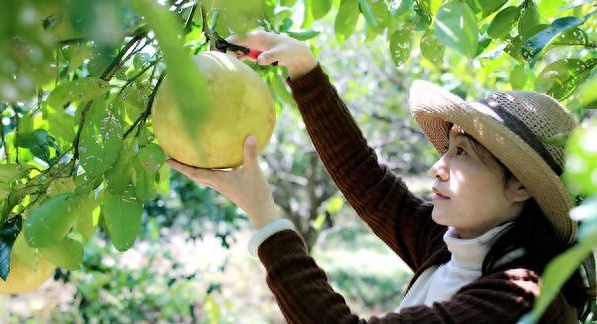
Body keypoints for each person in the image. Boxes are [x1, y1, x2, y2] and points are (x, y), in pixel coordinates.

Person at [166, 31, 595, 323]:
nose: (437, 166)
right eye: (446, 148)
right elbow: (366, 179)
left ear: (521, 184)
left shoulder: (520, 296)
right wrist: (304, 69)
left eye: (462, 153)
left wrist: (265, 216)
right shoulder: (452, 248)